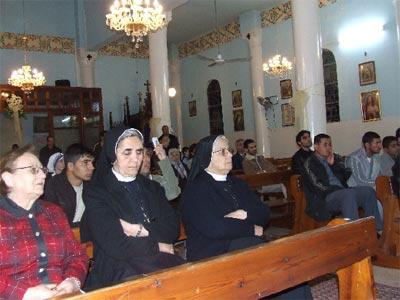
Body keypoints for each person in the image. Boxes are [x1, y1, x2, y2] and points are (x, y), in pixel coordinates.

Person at [181, 135, 311, 299]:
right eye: (223, 151)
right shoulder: (195, 189)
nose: (229, 155)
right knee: (272, 269)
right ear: (207, 156)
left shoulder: (238, 184)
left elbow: (263, 212)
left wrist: (243, 215)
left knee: (291, 271)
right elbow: (215, 228)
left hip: (244, 244)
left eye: (229, 150)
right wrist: (250, 228)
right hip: (212, 251)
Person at [83, 127, 183, 290]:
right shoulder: (97, 192)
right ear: (113, 155)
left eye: (139, 152)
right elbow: (116, 245)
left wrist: (141, 230)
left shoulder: (152, 187)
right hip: (118, 267)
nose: (135, 159)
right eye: (127, 152)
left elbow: (172, 230)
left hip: (158, 260)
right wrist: (157, 245)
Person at [0, 145, 87, 299]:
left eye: (42, 170)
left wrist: (73, 280)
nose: (42, 175)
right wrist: (25, 293)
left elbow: (76, 254)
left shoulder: (54, 212)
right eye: (33, 170)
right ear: (8, 179)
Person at [301, 134, 382, 230]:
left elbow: (346, 174)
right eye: (325, 145)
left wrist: (333, 165)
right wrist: (339, 190)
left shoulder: (333, 157)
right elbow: (317, 186)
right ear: (316, 146)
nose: (329, 148)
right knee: (347, 194)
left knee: (368, 191)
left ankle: (375, 229)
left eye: (330, 144)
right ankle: (353, 233)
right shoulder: (310, 163)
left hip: (342, 192)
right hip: (323, 198)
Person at [44, 144, 94, 227]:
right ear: (70, 166)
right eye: (86, 163)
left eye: (92, 163)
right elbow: (52, 221)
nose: (92, 167)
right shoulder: (54, 185)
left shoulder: (92, 185)